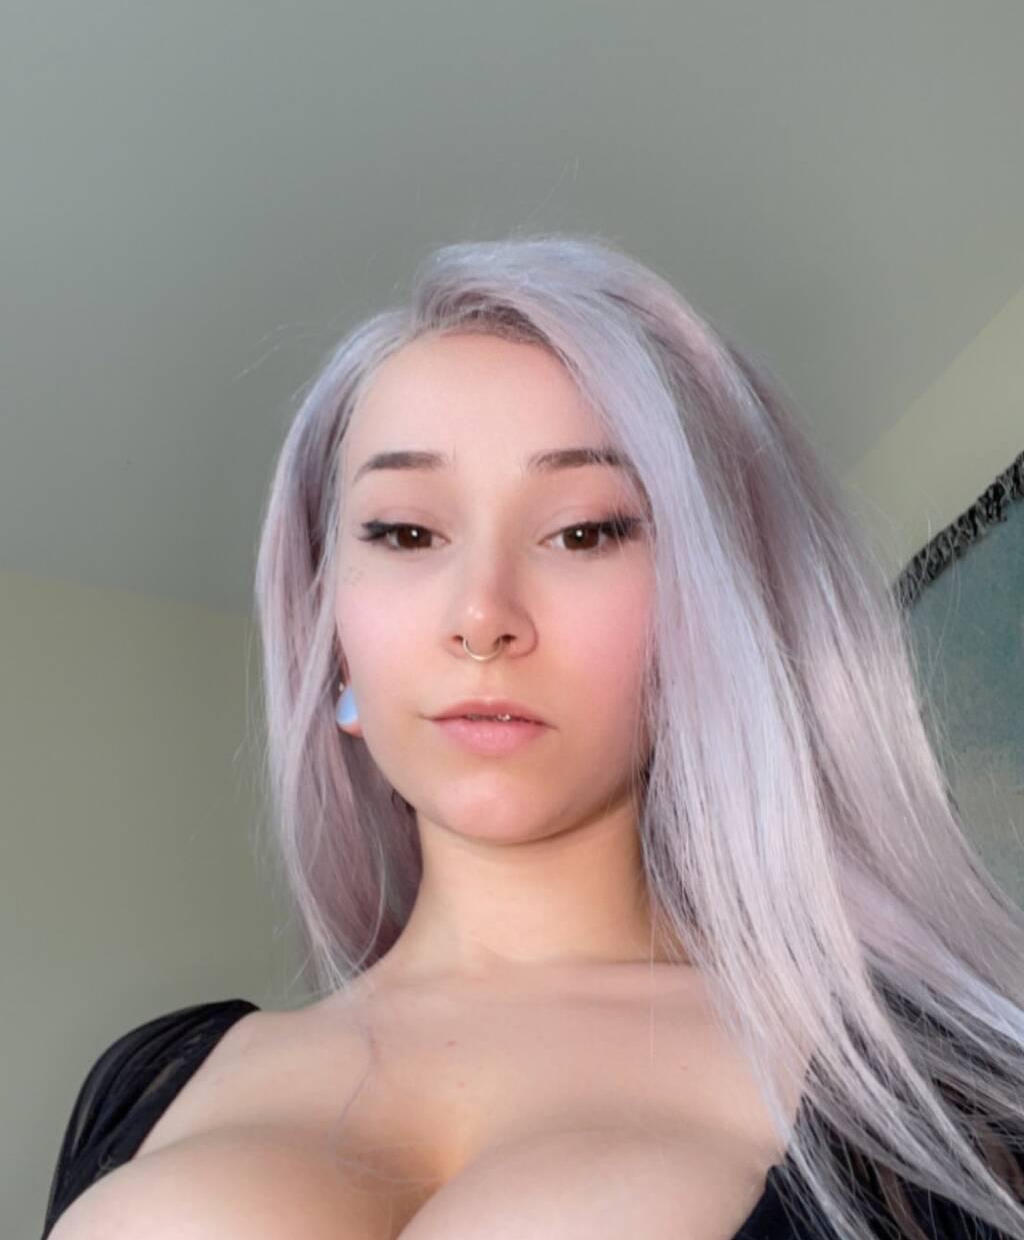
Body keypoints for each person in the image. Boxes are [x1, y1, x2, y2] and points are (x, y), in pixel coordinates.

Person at [43, 235, 1024, 1239]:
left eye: (583, 530)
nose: (482, 616)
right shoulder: (154, 1083)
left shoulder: (920, 1090)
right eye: (406, 532)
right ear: (330, 638)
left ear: (710, 615)